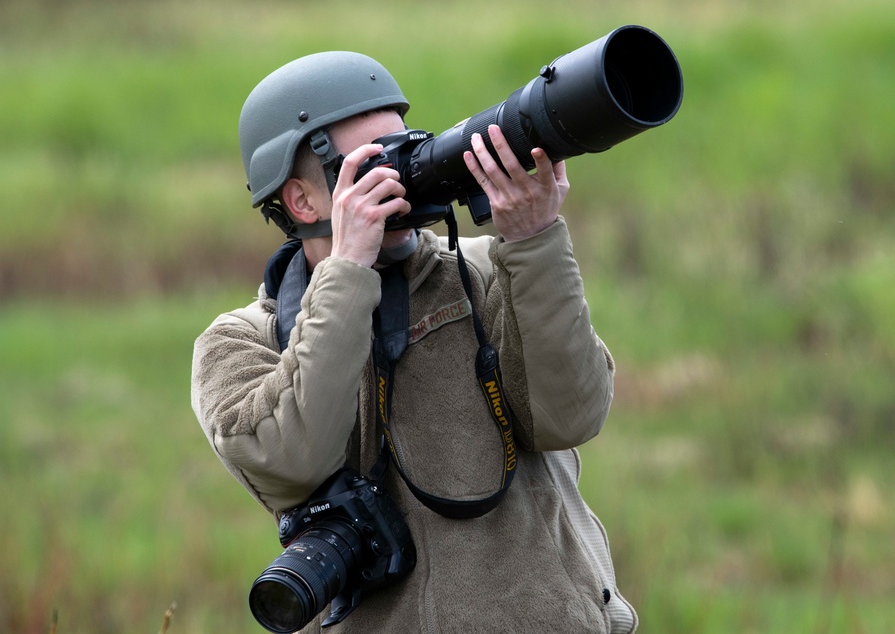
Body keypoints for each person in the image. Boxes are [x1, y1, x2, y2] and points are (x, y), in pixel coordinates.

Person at [191, 50, 637, 633]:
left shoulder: (486, 272)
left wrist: (534, 240)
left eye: (407, 148)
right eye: (369, 167)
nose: (400, 176)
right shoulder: (241, 343)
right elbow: (291, 460)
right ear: (301, 200)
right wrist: (348, 270)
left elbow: (571, 416)